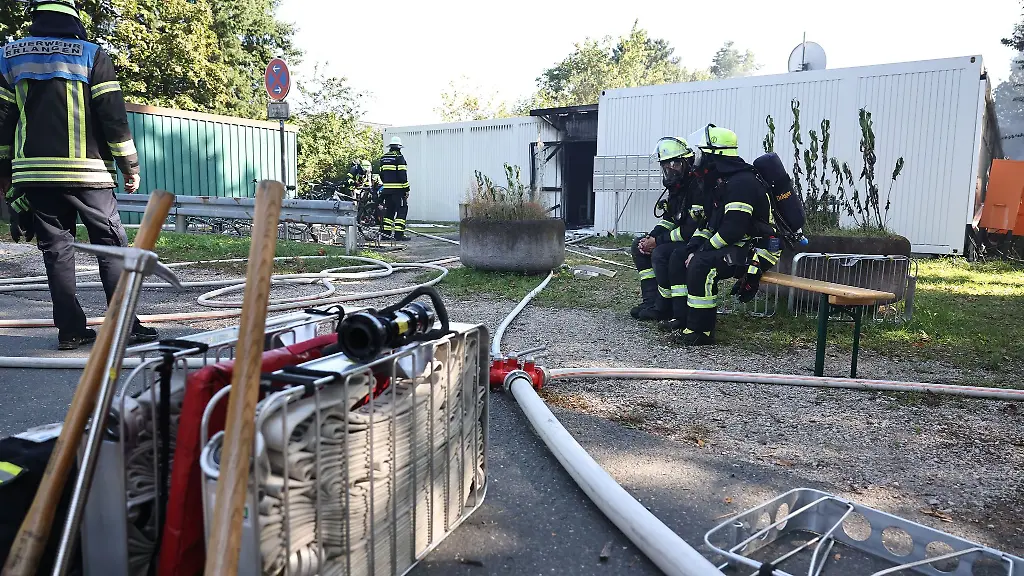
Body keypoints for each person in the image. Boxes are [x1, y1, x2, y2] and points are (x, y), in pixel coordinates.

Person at [0, 0, 158, 350]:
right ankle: (125, 326)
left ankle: (71, 330)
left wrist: (5, 174)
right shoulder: (91, 54)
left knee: (57, 251)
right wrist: (129, 164)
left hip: (36, 174)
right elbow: (112, 115)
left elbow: (2, 119)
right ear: (73, 16)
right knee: (112, 247)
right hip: (89, 174)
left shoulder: (10, 56)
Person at [671, 124, 781, 346]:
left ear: (716, 155)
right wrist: (693, 248)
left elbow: (733, 230)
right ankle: (685, 319)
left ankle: (701, 331)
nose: (698, 159)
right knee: (679, 256)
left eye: (702, 153)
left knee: (702, 264)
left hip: (756, 249)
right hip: (736, 244)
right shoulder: (721, 182)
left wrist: (702, 252)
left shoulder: (742, 183)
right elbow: (710, 225)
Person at [629, 136, 703, 323]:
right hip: (683, 236)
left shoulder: (698, 186)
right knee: (638, 245)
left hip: (698, 240)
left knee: (661, 253)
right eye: (666, 165)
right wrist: (651, 237)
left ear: (687, 162)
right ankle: (651, 302)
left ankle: (665, 306)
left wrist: (658, 242)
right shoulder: (676, 187)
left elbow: (691, 229)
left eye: (675, 163)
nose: (670, 169)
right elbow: (670, 220)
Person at [378, 136, 410, 241]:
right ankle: (398, 235)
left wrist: (387, 184)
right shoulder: (399, 157)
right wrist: (406, 189)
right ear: (399, 147)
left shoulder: (383, 158)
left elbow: (381, 174)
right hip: (398, 191)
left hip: (387, 190)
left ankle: (385, 234)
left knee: (389, 212)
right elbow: (402, 175)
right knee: (402, 211)